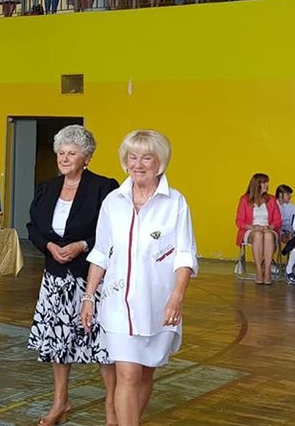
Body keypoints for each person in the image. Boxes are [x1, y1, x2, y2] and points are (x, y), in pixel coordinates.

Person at [81, 129, 197, 426]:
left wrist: (176, 298)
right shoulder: (113, 202)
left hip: (159, 304)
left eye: (146, 158)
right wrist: (89, 297)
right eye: (132, 157)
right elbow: (100, 253)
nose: (138, 164)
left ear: (160, 162)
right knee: (128, 374)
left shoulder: (175, 203)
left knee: (145, 372)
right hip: (117, 304)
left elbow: (185, 255)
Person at [26, 125, 119, 426]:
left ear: (87, 158)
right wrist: (49, 246)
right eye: (61, 153)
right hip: (55, 278)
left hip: (91, 277)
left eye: (72, 153)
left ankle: (112, 407)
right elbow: (33, 228)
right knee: (58, 342)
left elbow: (113, 232)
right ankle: (61, 402)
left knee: (102, 344)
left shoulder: (105, 188)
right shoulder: (47, 188)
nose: (64, 158)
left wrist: (82, 245)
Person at [235, 173, 282, 284]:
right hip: (250, 229)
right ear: (256, 184)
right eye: (263, 182)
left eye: (267, 182)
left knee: (268, 235)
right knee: (258, 234)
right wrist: (253, 227)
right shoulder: (244, 199)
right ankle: (259, 270)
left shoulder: (271, 199)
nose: (267, 185)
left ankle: (267, 270)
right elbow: (239, 221)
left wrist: (269, 227)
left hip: (268, 228)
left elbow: (278, 220)